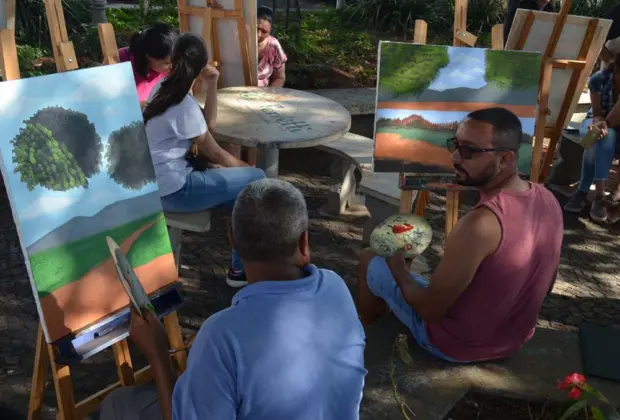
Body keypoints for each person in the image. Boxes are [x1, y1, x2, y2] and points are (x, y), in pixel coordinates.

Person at [99, 179, 368, 420]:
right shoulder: (335, 287)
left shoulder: (220, 335)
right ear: (304, 243)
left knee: (118, 404)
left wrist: (158, 352)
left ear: (232, 242)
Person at [357, 107, 564, 363]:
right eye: (455, 145)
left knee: (369, 259)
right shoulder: (548, 199)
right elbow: (547, 284)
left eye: (469, 151)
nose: (455, 157)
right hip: (514, 337)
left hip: (458, 345)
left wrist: (398, 268)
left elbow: (430, 311)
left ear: (506, 160)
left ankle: (366, 342)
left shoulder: (480, 224)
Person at [143, 32, 265, 288]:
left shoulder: (163, 89)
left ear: (172, 61)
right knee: (258, 181)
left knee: (238, 196)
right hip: (175, 189)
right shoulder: (182, 105)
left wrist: (211, 85)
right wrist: (248, 170)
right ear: (200, 68)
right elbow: (215, 152)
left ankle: (239, 269)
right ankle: (243, 267)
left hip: (159, 182)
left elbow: (205, 126)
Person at [563, 53, 620, 222]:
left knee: (599, 139)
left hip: (613, 126)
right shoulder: (599, 79)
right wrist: (598, 122)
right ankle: (600, 195)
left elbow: (612, 120)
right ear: (616, 70)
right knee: (601, 135)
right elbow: (597, 114)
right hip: (596, 122)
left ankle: (582, 192)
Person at [119, 23, 178, 104]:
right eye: (167, 63)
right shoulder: (120, 61)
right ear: (150, 56)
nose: (172, 67)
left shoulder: (164, 70)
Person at [257, 6, 287, 87]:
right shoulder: (239, 43)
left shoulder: (274, 46)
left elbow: (279, 78)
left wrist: (269, 95)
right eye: (256, 29)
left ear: (270, 30)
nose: (258, 35)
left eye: (264, 31)